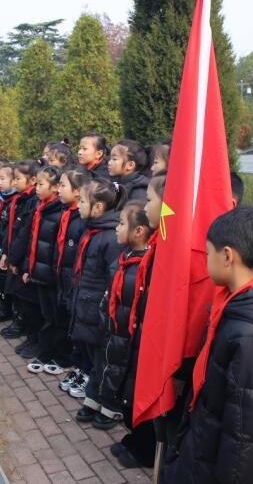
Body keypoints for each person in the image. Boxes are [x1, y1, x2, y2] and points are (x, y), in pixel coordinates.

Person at [162, 205, 253, 483]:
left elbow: (246, 438)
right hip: (202, 445)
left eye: (208, 254)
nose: (206, 261)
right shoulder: (233, 303)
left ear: (228, 256)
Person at [112, 172, 167, 469]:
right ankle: (138, 437)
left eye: (149, 200)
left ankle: (146, 447)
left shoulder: (169, 247)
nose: (145, 208)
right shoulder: (159, 242)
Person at [88, 201, 153, 432]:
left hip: (126, 329)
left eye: (122, 224)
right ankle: (95, 397)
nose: (116, 228)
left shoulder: (147, 264)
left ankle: (111, 405)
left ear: (139, 231)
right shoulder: (125, 255)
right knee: (103, 361)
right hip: (111, 323)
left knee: (117, 366)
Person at [71, 178, 125, 409]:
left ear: (99, 207)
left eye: (82, 201)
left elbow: (112, 280)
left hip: (96, 308)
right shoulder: (92, 230)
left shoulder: (110, 238)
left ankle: (100, 396)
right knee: (89, 351)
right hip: (84, 302)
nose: (78, 205)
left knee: (98, 354)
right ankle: (90, 387)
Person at [22, 166, 64, 375]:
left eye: (41, 184)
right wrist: (28, 268)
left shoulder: (59, 212)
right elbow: (33, 241)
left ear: (56, 187)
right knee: (45, 312)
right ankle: (45, 349)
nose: (36, 188)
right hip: (38, 272)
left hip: (50, 276)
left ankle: (52, 353)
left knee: (53, 316)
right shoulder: (41, 207)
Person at [55, 169, 91, 390]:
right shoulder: (68, 215)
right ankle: (79, 367)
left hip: (79, 287)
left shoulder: (83, 223)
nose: (59, 190)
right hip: (67, 282)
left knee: (83, 335)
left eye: (63, 185)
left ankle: (86, 372)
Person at [0, 160, 40, 346]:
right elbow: (13, 229)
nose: (14, 182)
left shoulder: (32, 201)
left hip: (23, 258)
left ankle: (23, 326)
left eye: (18, 178)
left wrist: (15, 258)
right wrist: (7, 253)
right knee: (15, 293)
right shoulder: (20, 197)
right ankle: (18, 322)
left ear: (32, 180)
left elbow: (24, 234)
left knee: (23, 297)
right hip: (14, 253)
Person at [0, 165, 19, 324]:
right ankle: (3, 307)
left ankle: (8, 310)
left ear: (14, 182)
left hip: (6, 248)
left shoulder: (16, 201)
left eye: (3, 178)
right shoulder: (0, 198)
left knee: (6, 281)